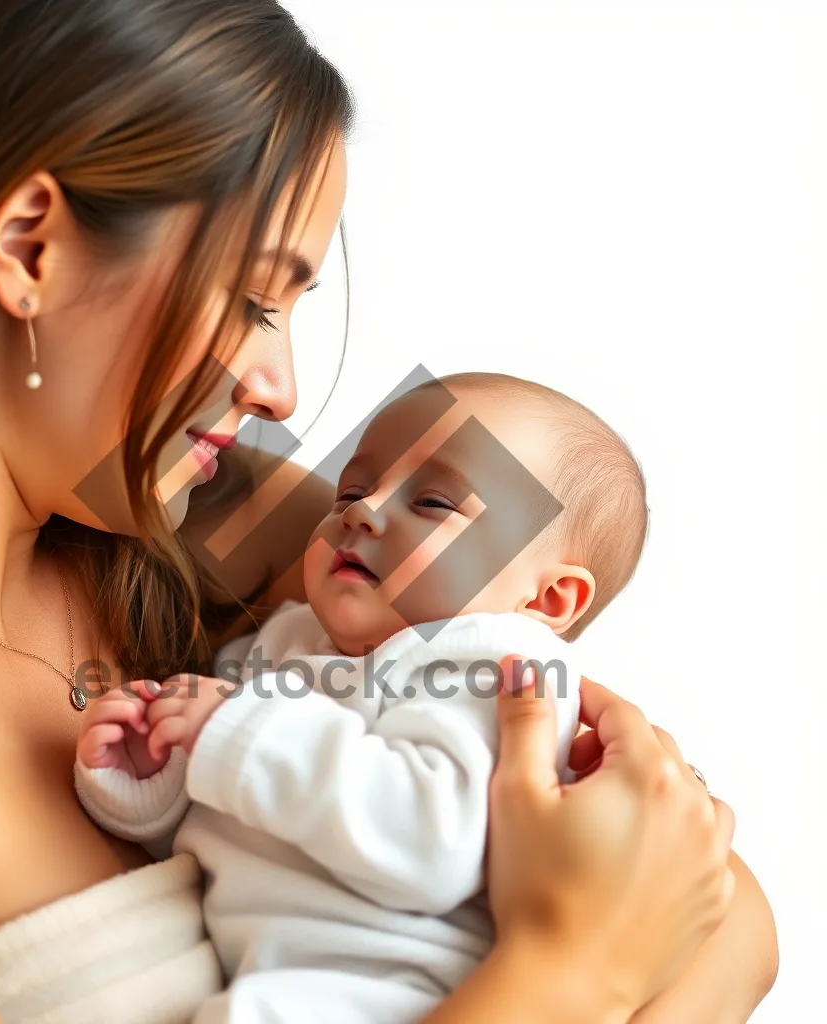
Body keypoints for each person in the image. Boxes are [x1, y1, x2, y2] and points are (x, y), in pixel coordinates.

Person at [0, 2, 776, 1023]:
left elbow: (721, 904)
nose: (281, 390)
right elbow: (631, 925)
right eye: (258, 301)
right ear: (28, 245)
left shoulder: (230, 515)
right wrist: (574, 968)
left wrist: (600, 947)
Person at [73, 371, 643, 1023]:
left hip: (406, 988)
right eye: (353, 488)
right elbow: (230, 799)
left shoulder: (498, 667)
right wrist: (155, 773)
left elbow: (434, 847)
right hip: (274, 975)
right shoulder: (290, 638)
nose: (362, 511)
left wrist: (231, 732)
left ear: (545, 600)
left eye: (432, 502)